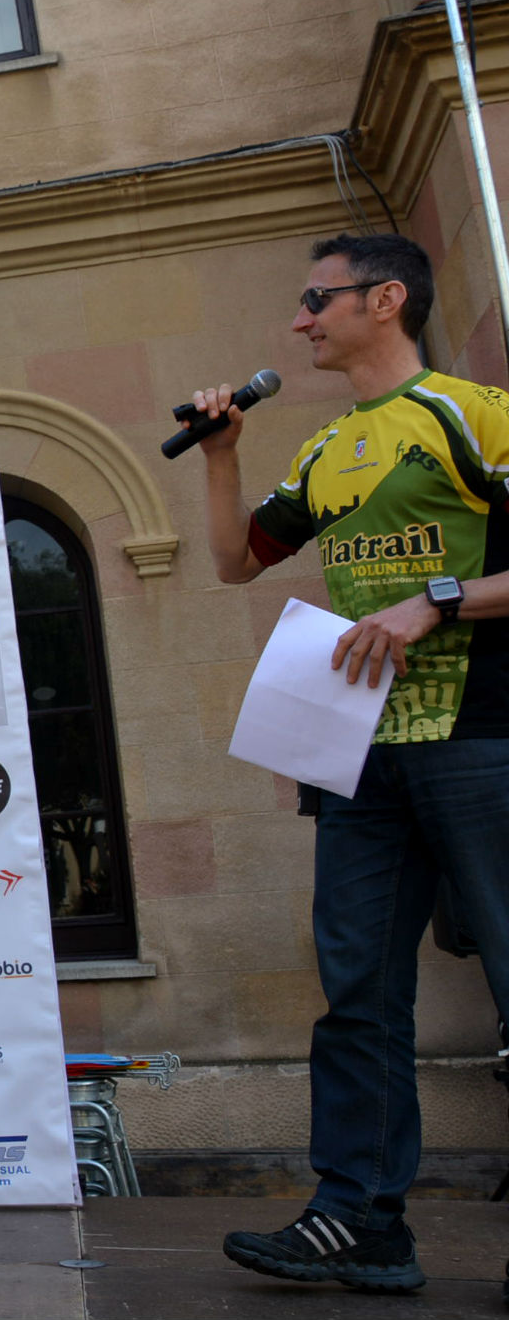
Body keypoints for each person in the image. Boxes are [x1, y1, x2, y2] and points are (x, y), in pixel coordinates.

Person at [192, 233, 509, 1296]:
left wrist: (441, 602)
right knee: (360, 994)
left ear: (385, 300)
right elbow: (238, 562)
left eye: (316, 300)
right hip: (362, 752)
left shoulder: (472, 413)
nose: (299, 321)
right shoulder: (329, 452)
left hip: (481, 738)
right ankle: (362, 1219)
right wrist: (226, 449)